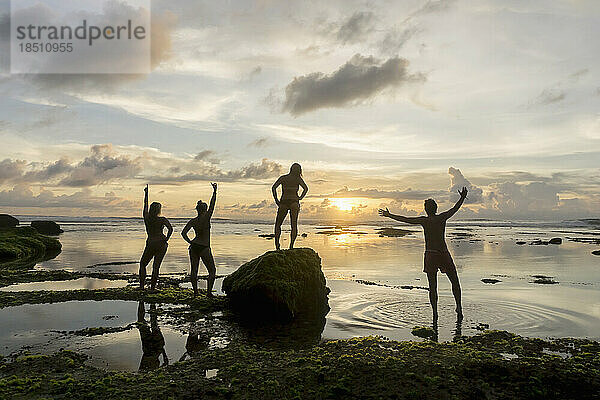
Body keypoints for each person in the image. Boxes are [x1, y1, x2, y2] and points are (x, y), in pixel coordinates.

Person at [379, 187, 468, 322]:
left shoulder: (424, 220)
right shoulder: (442, 218)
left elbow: (405, 219)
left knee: (433, 286)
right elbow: (454, 209)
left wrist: (389, 215)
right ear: (436, 208)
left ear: (426, 210)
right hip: (443, 253)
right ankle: (459, 308)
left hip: (431, 255)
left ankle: (435, 313)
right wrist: (462, 197)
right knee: (455, 282)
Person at [181, 183, 218, 297]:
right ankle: (208, 293)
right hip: (204, 247)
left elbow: (183, 233)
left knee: (194, 271)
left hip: (194, 247)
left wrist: (191, 242)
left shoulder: (193, 221)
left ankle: (196, 293)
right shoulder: (206, 217)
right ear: (205, 210)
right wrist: (215, 192)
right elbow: (213, 205)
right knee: (212, 271)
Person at [140, 184, 173, 290]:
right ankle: (152, 288)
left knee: (143, 264)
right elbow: (171, 229)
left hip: (151, 242)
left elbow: (145, 206)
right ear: (159, 210)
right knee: (156, 267)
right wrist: (166, 238)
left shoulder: (147, 218)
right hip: (161, 244)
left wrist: (146, 194)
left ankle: (141, 286)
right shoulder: (162, 219)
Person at [271, 163, 308, 250]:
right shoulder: (298, 179)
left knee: (278, 224)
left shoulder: (283, 178)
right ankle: (291, 246)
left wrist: (276, 200)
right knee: (294, 225)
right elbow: (306, 189)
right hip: (294, 202)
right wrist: (300, 197)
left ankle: (277, 246)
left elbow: (274, 188)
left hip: (283, 202)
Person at [137, 300, 168, 371]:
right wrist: (163, 351)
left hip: (152, 348)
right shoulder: (144, 372)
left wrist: (163, 351)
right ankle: (146, 301)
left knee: (149, 322)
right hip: (153, 348)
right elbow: (166, 362)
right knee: (151, 322)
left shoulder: (143, 372)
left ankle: (143, 301)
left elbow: (166, 362)